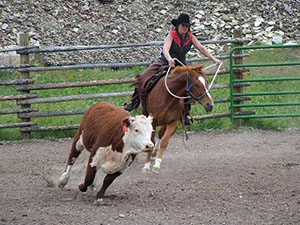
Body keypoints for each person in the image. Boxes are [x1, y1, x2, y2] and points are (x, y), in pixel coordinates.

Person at [124, 13, 222, 125]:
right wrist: (169, 59)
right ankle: (134, 101)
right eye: (183, 26)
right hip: (165, 62)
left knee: (188, 86)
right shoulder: (171, 35)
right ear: (178, 26)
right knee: (143, 77)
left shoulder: (190, 37)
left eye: (186, 26)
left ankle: (185, 114)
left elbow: (201, 48)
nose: (184, 28)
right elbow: (165, 48)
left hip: (180, 65)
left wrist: (214, 59)